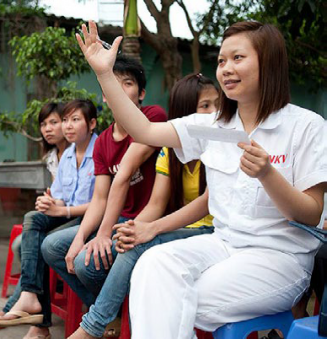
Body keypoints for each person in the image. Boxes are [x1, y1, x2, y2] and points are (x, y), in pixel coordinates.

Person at [76, 21, 327, 338]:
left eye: (238, 58)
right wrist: (103, 74)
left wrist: (267, 175)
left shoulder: (307, 127)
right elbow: (145, 131)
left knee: (175, 299)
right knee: (153, 265)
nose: (226, 69)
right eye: (222, 61)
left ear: (269, 62)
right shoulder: (213, 126)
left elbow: (312, 212)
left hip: (279, 258)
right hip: (222, 245)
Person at [67, 73, 219, 339]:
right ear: (185, 112)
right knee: (87, 261)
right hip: (175, 229)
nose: (215, 112)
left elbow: (207, 204)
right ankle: (118, 314)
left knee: (137, 246)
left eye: (217, 104)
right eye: (205, 106)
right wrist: (133, 228)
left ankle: (92, 327)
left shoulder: (220, 145)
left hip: (210, 231)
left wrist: (147, 231)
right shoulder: (169, 150)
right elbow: (156, 203)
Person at [40, 55, 166, 326]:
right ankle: (114, 314)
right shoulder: (103, 142)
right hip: (118, 218)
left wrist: (104, 235)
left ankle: (111, 316)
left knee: (87, 263)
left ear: (141, 93)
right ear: (105, 96)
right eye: (114, 85)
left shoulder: (153, 117)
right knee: (53, 246)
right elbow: (100, 198)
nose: (120, 90)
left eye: (128, 84)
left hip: (149, 220)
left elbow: (124, 175)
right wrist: (82, 236)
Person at [0, 99, 98, 339]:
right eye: (64, 120)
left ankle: (39, 324)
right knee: (33, 218)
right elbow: (60, 198)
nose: (67, 126)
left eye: (74, 120)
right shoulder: (66, 157)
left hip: (92, 219)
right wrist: (49, 203)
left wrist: (62, 210)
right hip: (69, 216)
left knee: (41, 244)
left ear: (92, 124)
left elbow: (101, 203)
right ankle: (30, 298)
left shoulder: (100, 151)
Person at [11, 102, 70, 261]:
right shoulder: (51, 156)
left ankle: (31, 286)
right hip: (59, 212)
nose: (47, 129)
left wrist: (55, 202)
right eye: (43, 124)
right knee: (18, 245)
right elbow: (57, 193)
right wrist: (48, 200)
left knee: (34, 242)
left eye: (53, 122)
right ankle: (33, 285)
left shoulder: (79, 153)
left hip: (75, 214)